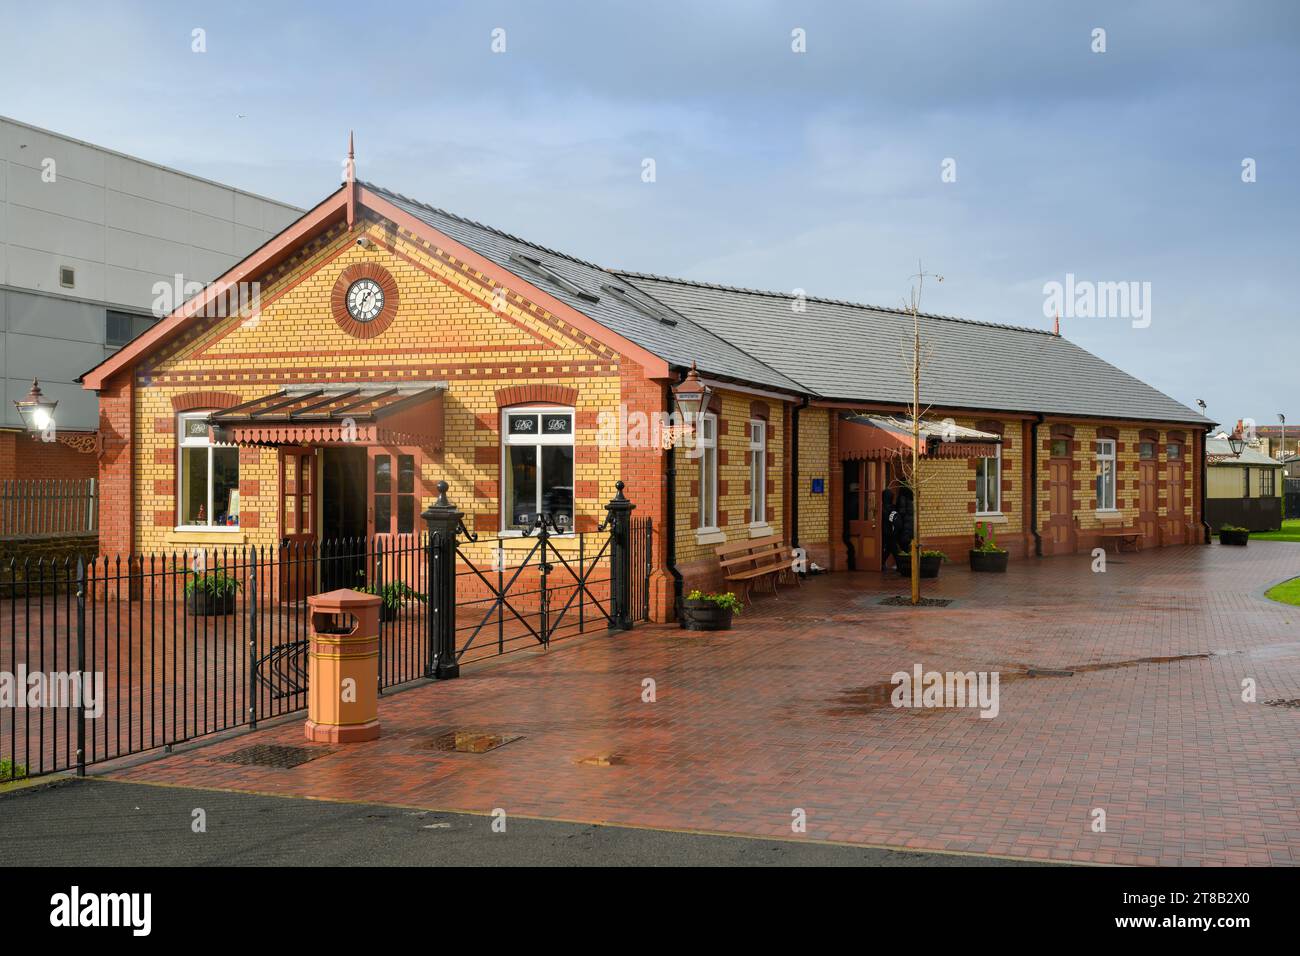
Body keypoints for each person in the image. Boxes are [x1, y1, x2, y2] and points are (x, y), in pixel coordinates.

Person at [881, 488, 897, 569]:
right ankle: (900, 564)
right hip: (892, 531)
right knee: (892, 548)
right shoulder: (893, 507)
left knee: (890, 548)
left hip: (884, 531)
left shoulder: (882, 508)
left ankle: (881, 563)